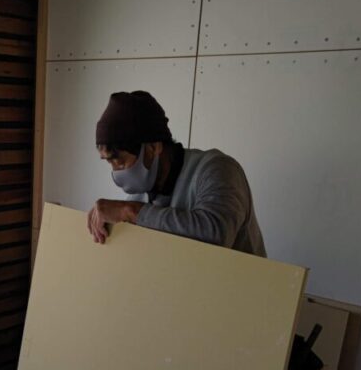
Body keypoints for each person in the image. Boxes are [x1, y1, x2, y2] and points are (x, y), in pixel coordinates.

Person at [88, 90, 266, 256]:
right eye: (109, 163)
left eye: (119, 161)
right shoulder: (140, 193)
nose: (117, 173)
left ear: (153, 147)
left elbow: (216, 236)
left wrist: (131, 212)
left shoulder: (217, 169)